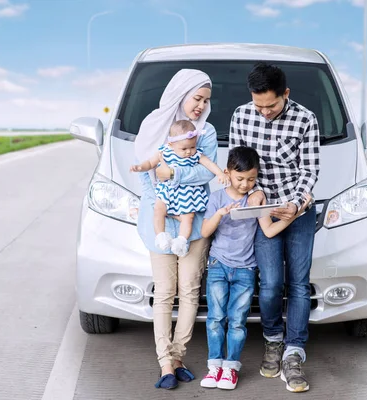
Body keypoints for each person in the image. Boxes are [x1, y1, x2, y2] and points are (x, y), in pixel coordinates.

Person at [230, 62, 320, 393]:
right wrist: (255, 196)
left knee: (297, 283)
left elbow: (309, 170)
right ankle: (272, 340)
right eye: (259, 105)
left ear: (286, 94)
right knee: (269, 285)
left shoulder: (305, 119)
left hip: (297, 210)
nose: (265, 112)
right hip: (263, 209)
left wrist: (294, 205)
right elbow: (237, 163)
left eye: (272, 105)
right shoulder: (241, 115)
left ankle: (294, 351)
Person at [199, 146, 312, 391]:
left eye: (251, 179)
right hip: (219, 265)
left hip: (245, 270)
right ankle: (214, 366)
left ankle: (230, 367)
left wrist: (297, 212)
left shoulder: (256, 199)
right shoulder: (217, 197)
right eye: (240, 179)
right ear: (227, 173)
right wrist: (221, 214)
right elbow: (205, 231)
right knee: (216, 318)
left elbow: (270, 230)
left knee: (237, 321)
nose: (245, 184)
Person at [133, 69, 218, 390]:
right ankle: (165, 362)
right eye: (197, 97)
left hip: (193, 225)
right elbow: (146, 173)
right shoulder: (154, 124)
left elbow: (205, 173)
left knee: (190, 292)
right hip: (158, 224)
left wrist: (173, 176)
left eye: (206, 100)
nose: (200, 105)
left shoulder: (205, 132)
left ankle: (179, 356)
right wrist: (162, 201)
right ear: (180, 93)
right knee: (165, 293)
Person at [131, 119, 227, 257]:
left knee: (188, 217)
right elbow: (150, 163)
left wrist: (220, 173)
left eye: (192, 147)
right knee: (158, 209)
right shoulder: (164, 151)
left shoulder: (196, 154)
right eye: (184, 149)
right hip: (168, 190)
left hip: (188, 192)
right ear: (171, 144)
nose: (189, 152)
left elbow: (209, 164)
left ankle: (181, 240)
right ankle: (160, 236)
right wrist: (140, 167)